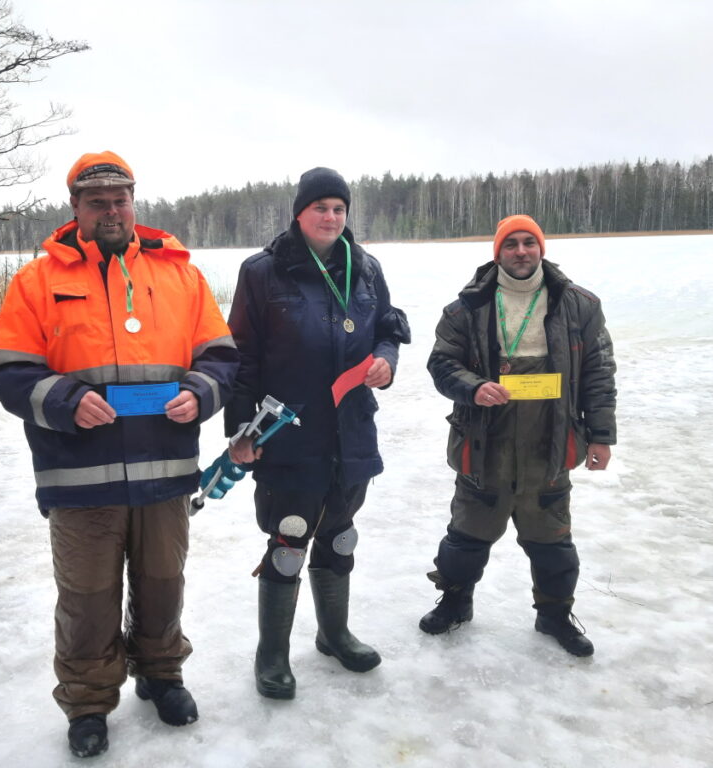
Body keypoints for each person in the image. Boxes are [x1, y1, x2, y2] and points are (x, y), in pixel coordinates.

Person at [0, 151, 238, 758]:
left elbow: (222, 357)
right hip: (80, 475)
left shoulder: (180, 275)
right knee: (87, 597)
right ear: (75, 208)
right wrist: (66, 400)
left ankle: (161, 672)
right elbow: (9, 369)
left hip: (166, 471)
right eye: (96, 201)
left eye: (120, 198)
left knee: (162, 582)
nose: (111, 209)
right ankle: (89, 700)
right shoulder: (36, 281)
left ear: (134, 202)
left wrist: (200, 393)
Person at [224, 167, 410, 699]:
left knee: (340, 534)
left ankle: (334, 634)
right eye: (320, 208)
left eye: (339, 209)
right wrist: (241, 430)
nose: (331, 217)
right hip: (289, 432)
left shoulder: (366, 267)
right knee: (287, 541)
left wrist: (385, 361)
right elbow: (242, 357)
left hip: (351, 432)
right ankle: (272, 656)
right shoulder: (263, 272)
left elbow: (388, 330)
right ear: (299, 213)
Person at [419, 214, 616, 657]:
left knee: (551, 538)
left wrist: (601, 436)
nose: (522, 251)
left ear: (541, 248)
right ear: (498, 253)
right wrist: (473, 387)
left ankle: (554, 616)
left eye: (529, 242)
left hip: (550, 443)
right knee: (467, 532)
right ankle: (455, 602)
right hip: (483, 440)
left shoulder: (579, 304)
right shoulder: (465, 308)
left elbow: (599, 375)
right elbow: (441, 365)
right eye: (512, 244)